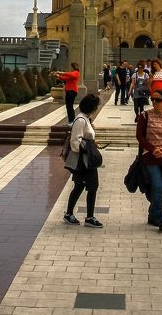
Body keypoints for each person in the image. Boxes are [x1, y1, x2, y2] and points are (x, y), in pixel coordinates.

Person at [137, 89, 162, 232]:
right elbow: (140, 136)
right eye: (152, 99)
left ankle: (152, 215)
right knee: (157, 187)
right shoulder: (145, 115)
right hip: (150, 156)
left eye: (158, 100)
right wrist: (153, 149)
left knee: (160, 189)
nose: (154, 102)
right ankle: (161, 218)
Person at [63, 93, 104, 228]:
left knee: (86, 186)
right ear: (91, 107)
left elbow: (85, 138)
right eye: (96, 106)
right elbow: (75, 142)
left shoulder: (85, 118)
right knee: (86, 186)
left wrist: (93, 142)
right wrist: (89, 147)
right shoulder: (81, 120)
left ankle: (76, 215)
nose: (97, 108)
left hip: (86, 159)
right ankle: (83, 216)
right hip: (83, 160)